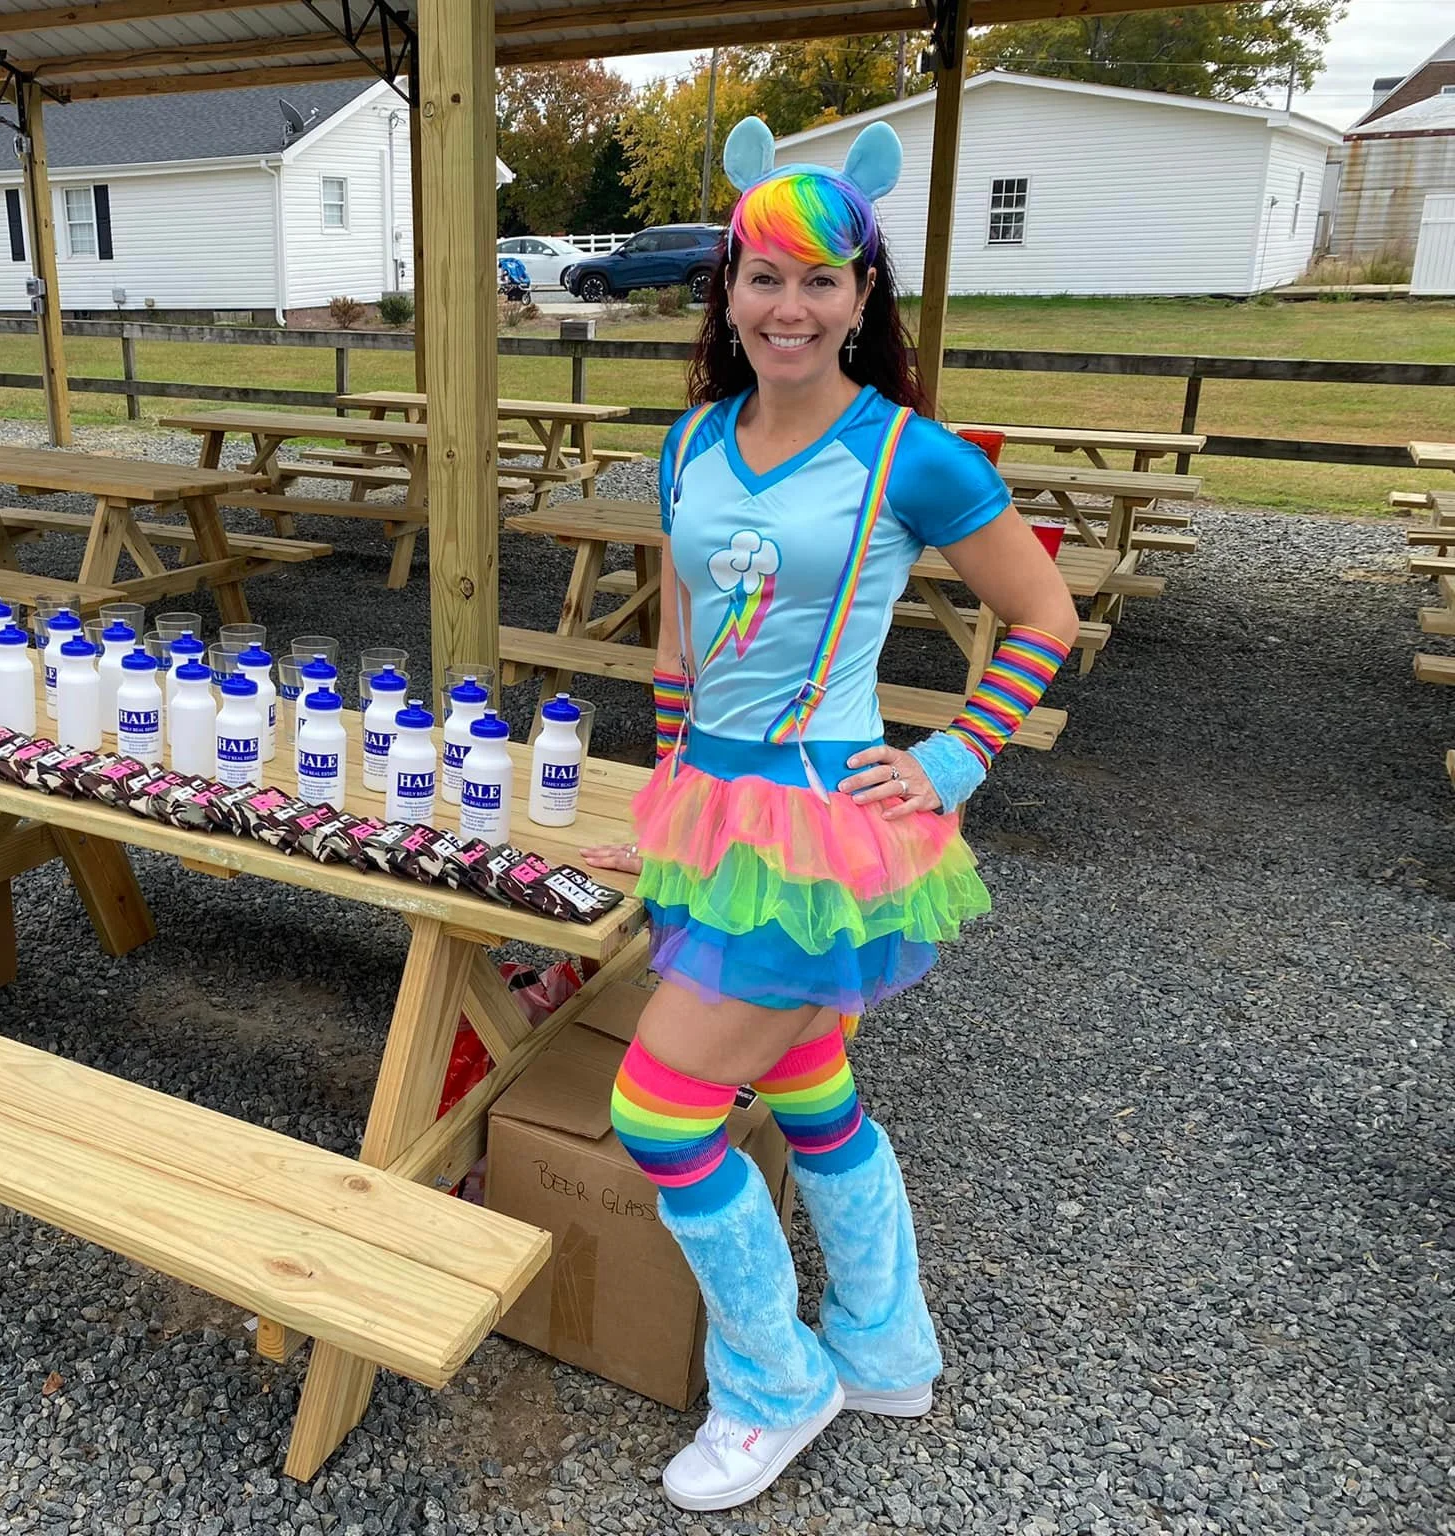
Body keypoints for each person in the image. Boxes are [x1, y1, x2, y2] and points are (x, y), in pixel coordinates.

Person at [580, 117, 1079, 1514]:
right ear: (727, 290)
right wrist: (669, 798)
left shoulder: (910, 455)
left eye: (819, 280)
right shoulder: (690, 443)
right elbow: (681, 644)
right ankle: (884, 1345)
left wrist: (954, 759)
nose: (787, 307)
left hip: (821, 827)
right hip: (714, 816)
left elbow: (1043, 612)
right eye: (764, 277)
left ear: (862, 297)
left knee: (660, 1113)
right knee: (806, 1082)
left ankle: (772, 1385)